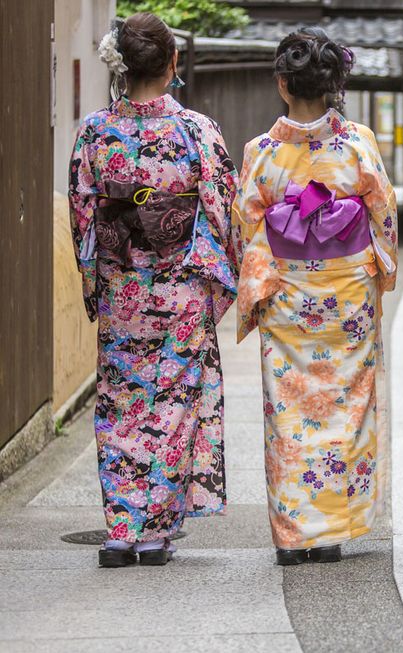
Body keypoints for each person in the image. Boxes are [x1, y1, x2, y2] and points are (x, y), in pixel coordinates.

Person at [68, 12, 239, 567]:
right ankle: (154, 532)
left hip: (124, 289)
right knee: (171, 404)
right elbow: (222, 210)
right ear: (172, 64)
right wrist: (216, 276)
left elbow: (83, 215)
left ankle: (120, 530)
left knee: (120, 402)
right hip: (180, 288)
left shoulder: (95, 131)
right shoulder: (196, 131)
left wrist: (97, 281)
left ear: (120, 67)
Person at [233, 27, 398, 566]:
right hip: (346, 299)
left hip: (287, 298)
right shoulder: (357, 143)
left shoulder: (261, 152)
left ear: (283, 84)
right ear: (332, 85)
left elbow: (249, 230)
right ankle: (328, 532)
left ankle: (291, 534)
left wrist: (259, 290)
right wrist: (377, 272)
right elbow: (383, 216)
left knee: (288, 412)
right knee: (345, 407)